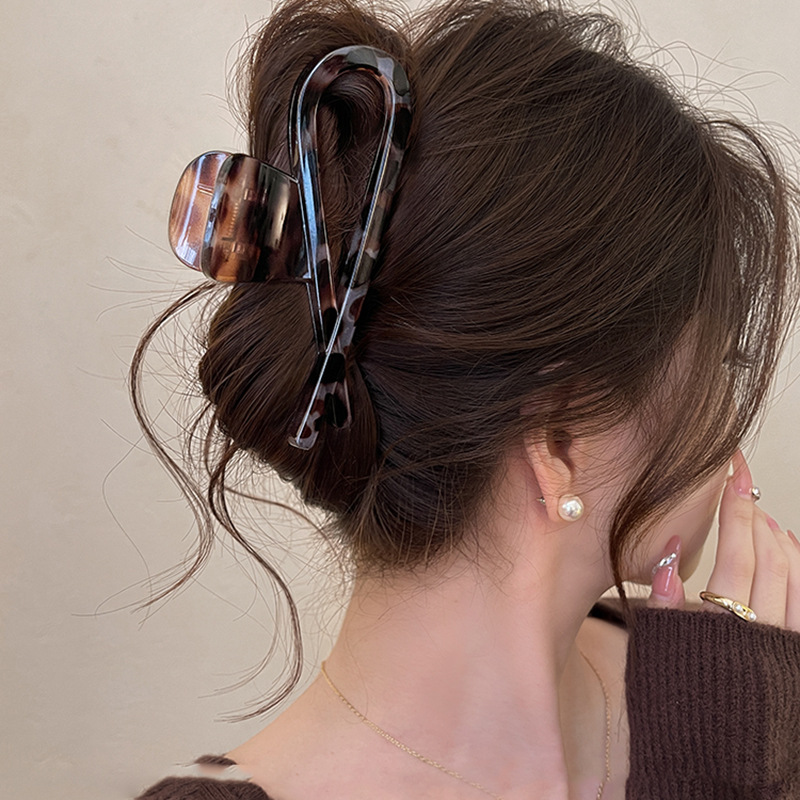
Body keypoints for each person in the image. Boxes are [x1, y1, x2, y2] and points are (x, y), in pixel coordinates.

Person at [134, 0, 800, 797]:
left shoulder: (727, 687)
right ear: (561, 441)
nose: (733, 435)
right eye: (722, 365)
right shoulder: (734, 724)